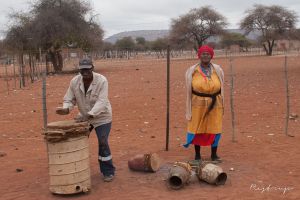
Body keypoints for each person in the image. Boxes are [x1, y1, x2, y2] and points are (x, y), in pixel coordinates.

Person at [56, 58, 115, 182]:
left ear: (92, 68)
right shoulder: (74, 81)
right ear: (79, 70)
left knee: (103, 141)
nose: (85, 72)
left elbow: (102, 101)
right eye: (82, 69)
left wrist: (89, 115)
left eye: (87, 69)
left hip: (102, 117)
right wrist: (66, 108)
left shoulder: (102, 80)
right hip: (84, 116)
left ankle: (108, 171)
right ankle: (76, 168)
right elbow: (69, 99)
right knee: (77, 140)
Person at [184, 45, 224, 162]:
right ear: (199, 56)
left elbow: (222, 86)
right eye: (203, 54)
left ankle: (214, 155)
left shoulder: (218, 70)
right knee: (197, 127)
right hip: (198, 103)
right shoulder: (192, 71)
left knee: (215, 127)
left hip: (215, 103)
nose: (205, 56)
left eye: (208, 54)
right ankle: (197, 155)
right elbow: (188, 88)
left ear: (211, 56)